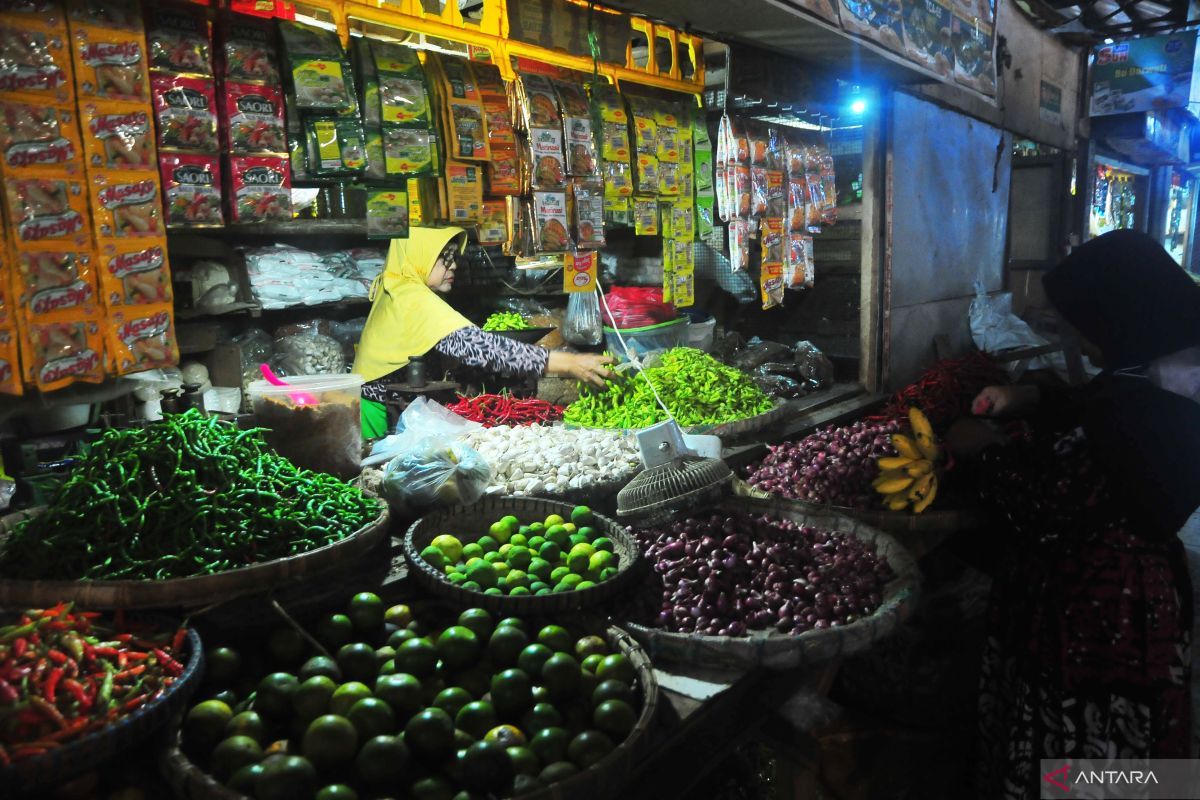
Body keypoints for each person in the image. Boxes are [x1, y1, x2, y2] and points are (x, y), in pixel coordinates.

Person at [946, 230, 1200, 798]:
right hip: (1132, 602)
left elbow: (1046, 506)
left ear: (1122, 316)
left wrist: (984, 450)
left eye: (1084, 326)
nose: (1078, 342)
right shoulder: (1164, 371)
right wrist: (1028, 400)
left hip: (1102, 620)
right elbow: (1106, 401)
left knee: (1086, 757)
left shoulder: (1153, 412)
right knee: (1117, 762)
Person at [353, 226, 614, 437]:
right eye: (444, 257)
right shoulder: (410, 297)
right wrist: (568, 363)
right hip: (381, 412)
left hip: (394, 407)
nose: (452, 265)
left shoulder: (399, 286)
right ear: (418, 255)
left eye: (453, 256)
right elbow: (478, 347)